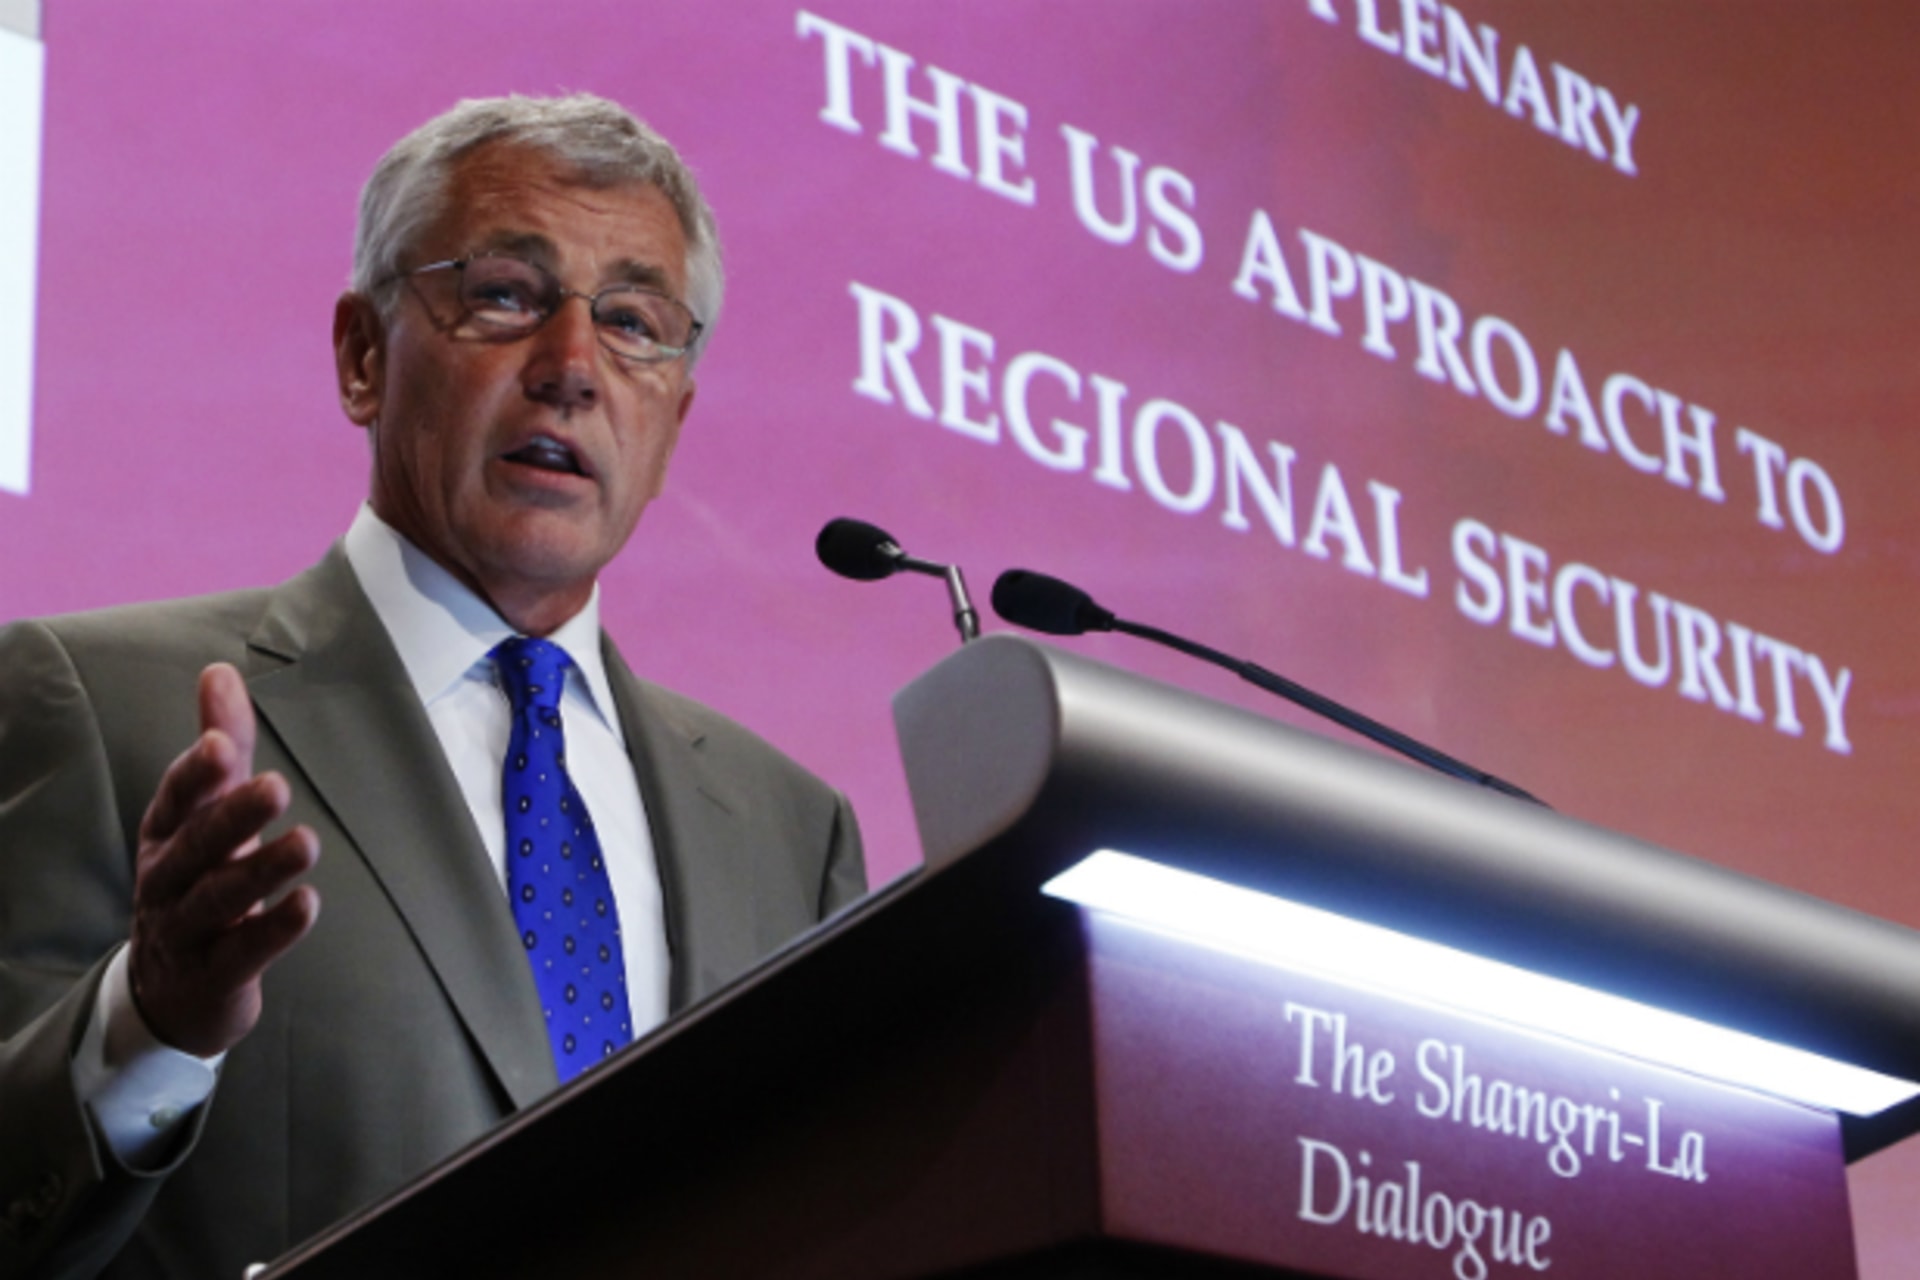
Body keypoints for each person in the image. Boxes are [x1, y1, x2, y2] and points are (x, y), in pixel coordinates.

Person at [0, 94, 866, 1280]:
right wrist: (146, 1022)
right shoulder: (101, 709)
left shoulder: (794, 832)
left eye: (632, 322)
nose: (570, 369)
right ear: (364, 356)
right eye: (505, 293)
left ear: (674, 417)